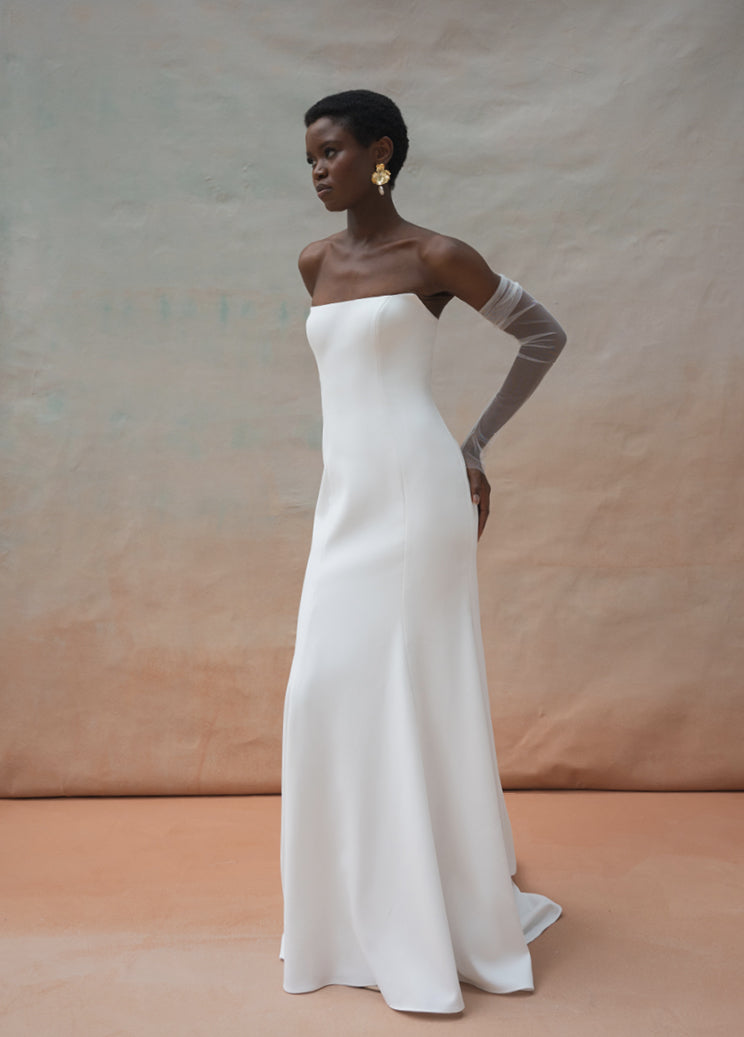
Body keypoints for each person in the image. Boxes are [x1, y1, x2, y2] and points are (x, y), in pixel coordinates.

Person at [280, 89, 566, 1015]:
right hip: (345, 502)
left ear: (382, 153)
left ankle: (430, 916)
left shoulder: (435, 255)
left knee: (407, 687)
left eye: (331, 152)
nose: (318, 169)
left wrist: (473, 446)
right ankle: (354, 916)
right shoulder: (314, 260)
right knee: (325, 686)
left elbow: (542, 334)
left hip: (416, 498)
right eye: (310, 157)